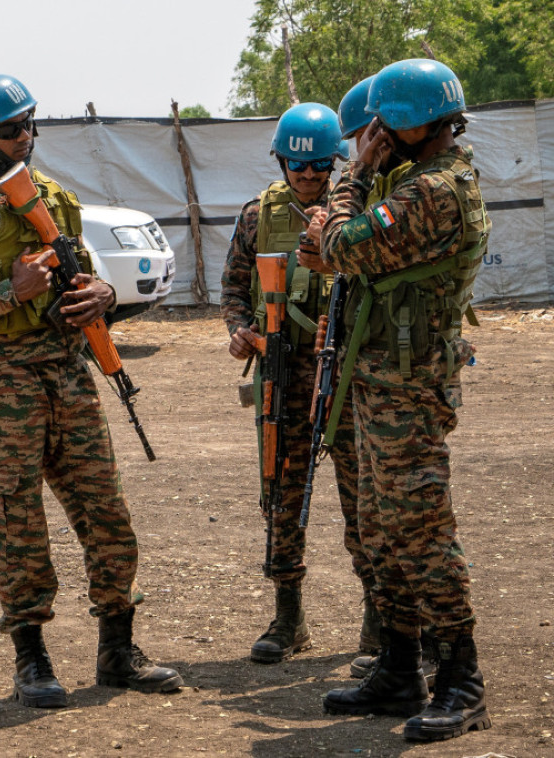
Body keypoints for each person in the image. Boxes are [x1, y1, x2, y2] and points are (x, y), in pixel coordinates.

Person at [0, 73, 182, 709]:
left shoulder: (57, 201)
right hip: (7, 385)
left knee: (107, 514)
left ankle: (118, 649)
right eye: (12, 130)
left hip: (70, 378)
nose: (26, 138)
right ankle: (31, 658)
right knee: (19, 521)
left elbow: (88, 279)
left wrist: (102, 296)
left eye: (30, 126)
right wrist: (13, 292)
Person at [317, 59, 491, 742]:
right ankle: (397, 669)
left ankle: (460, 679)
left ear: (418, 123)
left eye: (388, 120)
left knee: (420, 529)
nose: (377, 132)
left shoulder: (431, 192)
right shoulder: (423, 180)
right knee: (382, 529)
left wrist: (352, 178)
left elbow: (340, 244)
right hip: (383, 379)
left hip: (407, 389)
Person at [220, 102, 374, 664]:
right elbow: (235, 288)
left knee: (364, 498)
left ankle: (378, 622)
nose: (308, 177)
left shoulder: (355, 212)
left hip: (344, 377)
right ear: (282, 161)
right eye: (297, 166)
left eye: (318, 168)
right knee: (282, 497)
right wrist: (240, 331)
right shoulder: (257, 215)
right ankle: (288, 619)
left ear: (334, 164)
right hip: (282, 374)